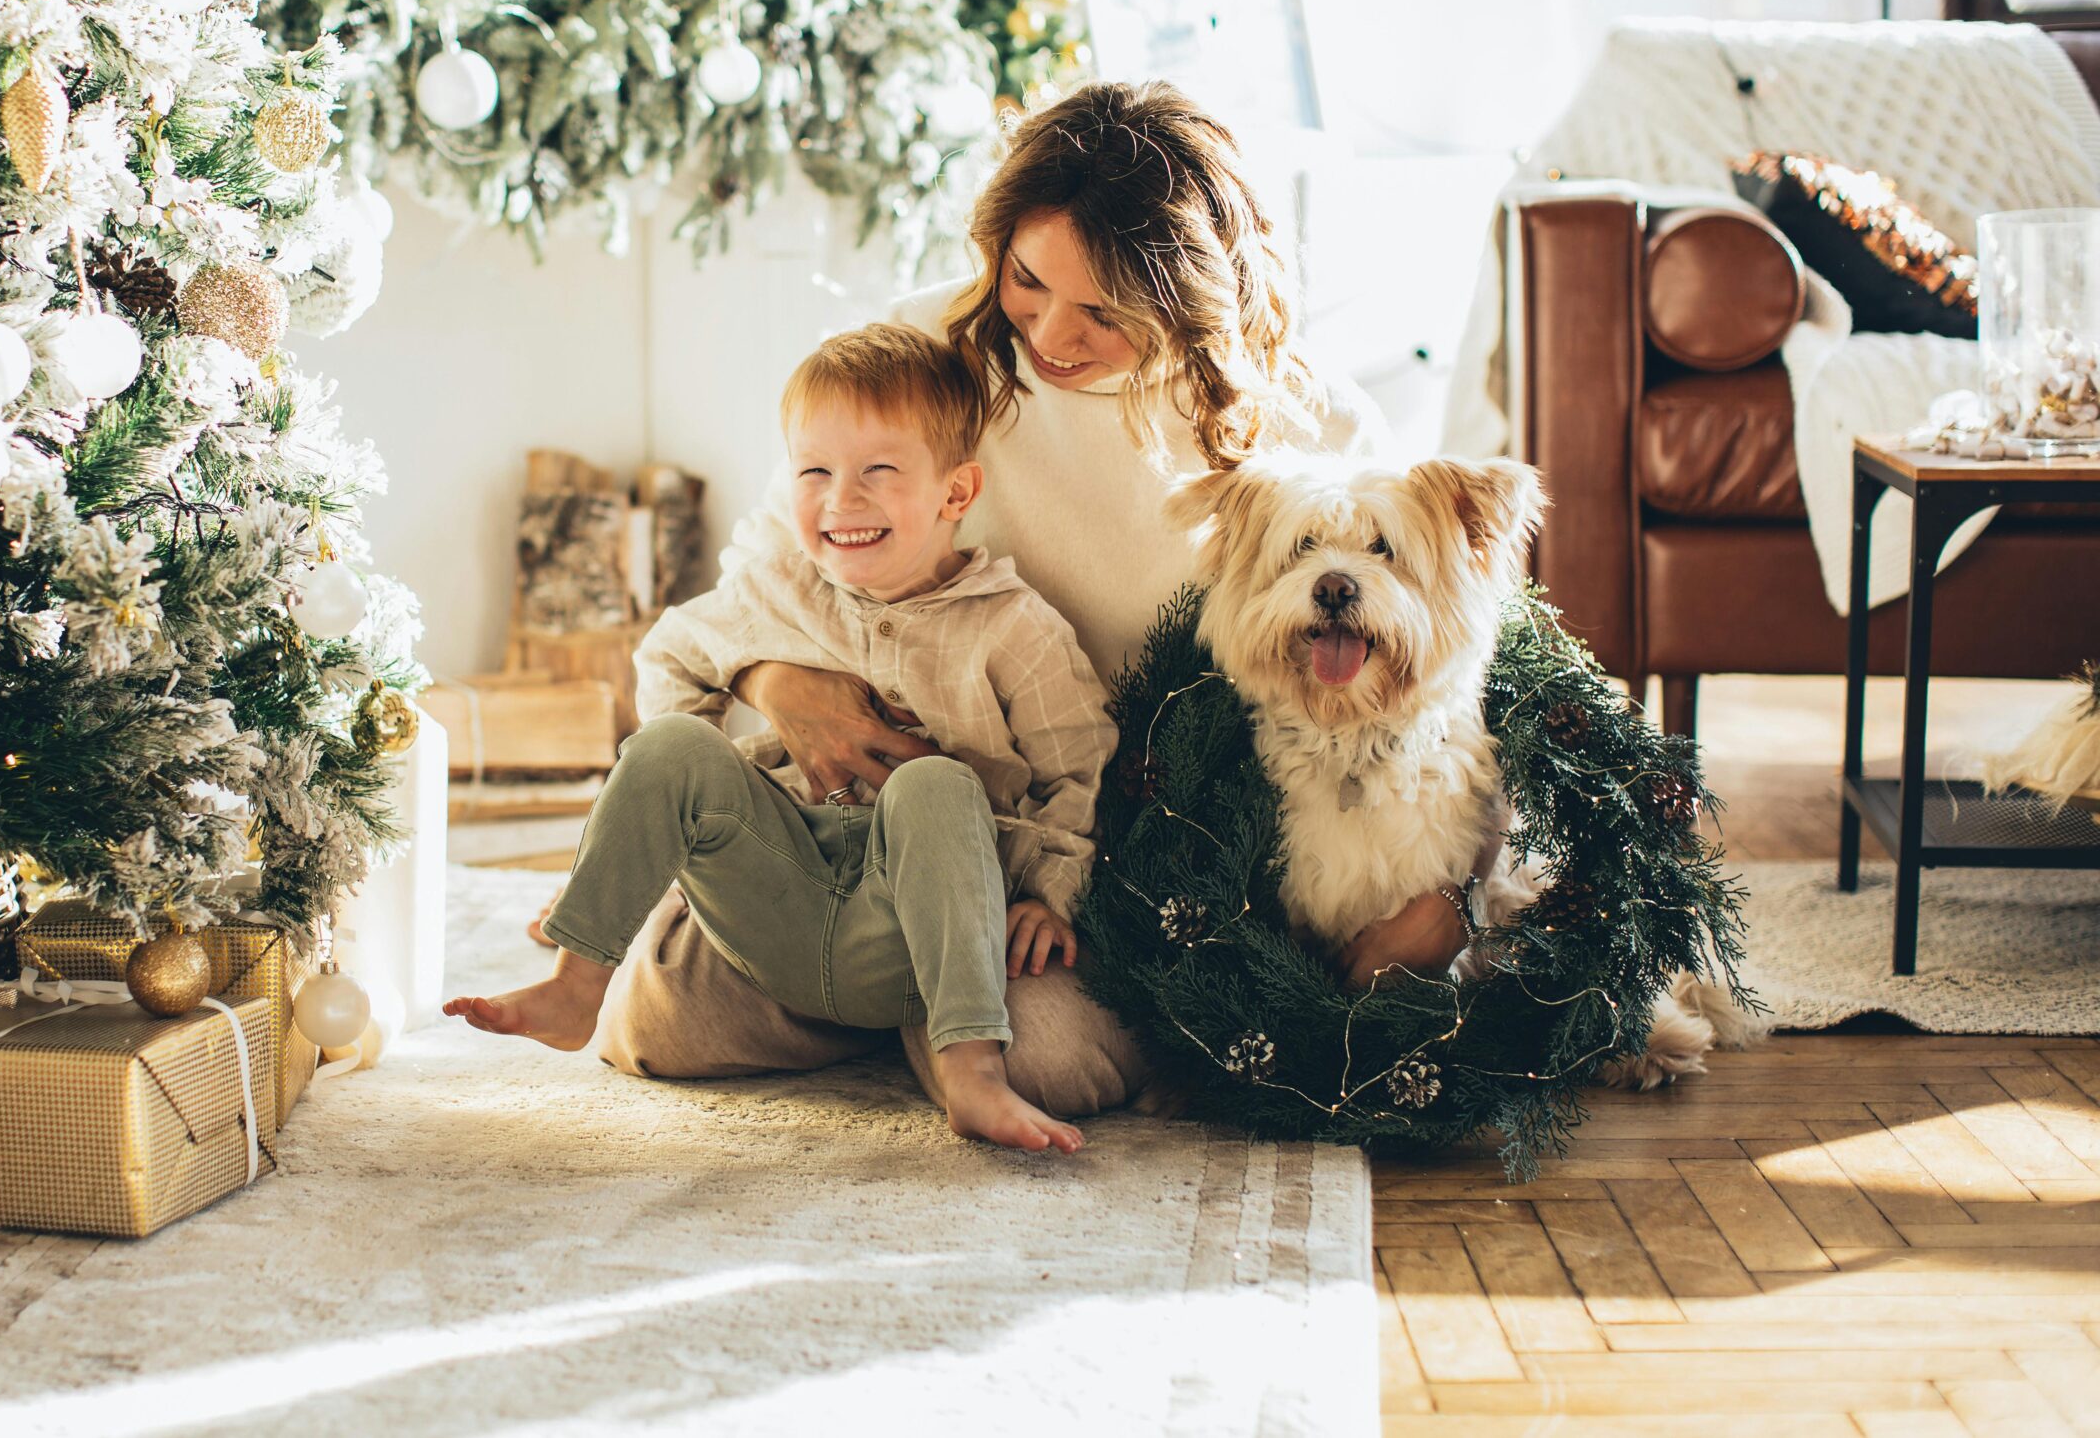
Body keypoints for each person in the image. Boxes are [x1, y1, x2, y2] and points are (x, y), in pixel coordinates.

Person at [585, 80, 1473, 1118]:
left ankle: (925, 1001)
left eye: (1104, 310)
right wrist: (776, 680)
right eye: (1026, 280)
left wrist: (1452, 895)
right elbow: (770, 559)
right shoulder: (927, 347)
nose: (1051, 332)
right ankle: (889, 979)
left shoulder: (1306, 429)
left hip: (1082, 847)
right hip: (862, 822)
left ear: (1192, 297)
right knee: (652, 1030)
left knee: (1050, 1063)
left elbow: (1435, 652)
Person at [449, 323, 1115, 1153]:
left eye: (879, 471)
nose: (842, 499)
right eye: (814, 471)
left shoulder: (1011, 627)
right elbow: (668, 660)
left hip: (920, 921)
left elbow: (1080, 765)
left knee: (937, 785)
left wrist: (1050, 892)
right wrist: (679, 832)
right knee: (667, 750)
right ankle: (574, 982)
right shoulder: (775, 591)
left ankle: (971, 1070)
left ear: (956, 492)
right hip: (785, 883)